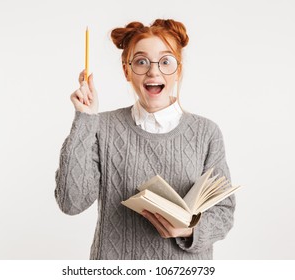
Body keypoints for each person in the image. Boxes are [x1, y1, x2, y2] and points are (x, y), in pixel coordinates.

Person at [55, 19, 236, 260]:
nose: (153, 71)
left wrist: (189, 230)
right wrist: (85, 119)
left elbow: (223, 212)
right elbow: (71, 202)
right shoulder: (101, 127)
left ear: (178, 70)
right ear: (127, 70)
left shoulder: (206, 132)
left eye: (165, 61)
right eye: (141, 61)